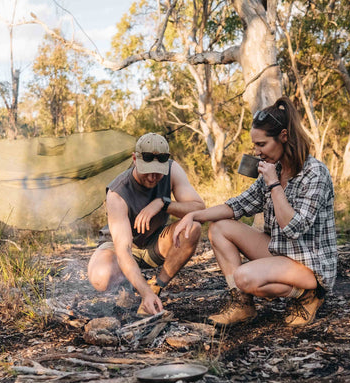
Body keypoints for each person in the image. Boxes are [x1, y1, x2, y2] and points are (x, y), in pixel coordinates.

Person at [173, 96, 337, 327]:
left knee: (244, 277)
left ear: (284, 136)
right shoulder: (274, 169)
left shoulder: (314, 173)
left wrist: (273, 184)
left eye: (262, 145)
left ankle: (309, 296)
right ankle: (242, 305)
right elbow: (236, 206)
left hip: (310, 264)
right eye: (255, 145)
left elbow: (293, 228)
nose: (257, 152)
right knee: (219, 227)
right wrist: (193, 215)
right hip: (281, 252)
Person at [88, 133, 205, 317]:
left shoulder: (172, 169)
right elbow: (123, 251)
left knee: (193, 228)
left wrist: (163, 203)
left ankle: (157, 285)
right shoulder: (117, 193)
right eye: (147, 170)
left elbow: (199, 208)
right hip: (119, 247)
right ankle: (130, 285)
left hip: (153, 243)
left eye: (158, 172)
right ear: (135, 159)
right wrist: (145, 294)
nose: (152, 178)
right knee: (101, 278)